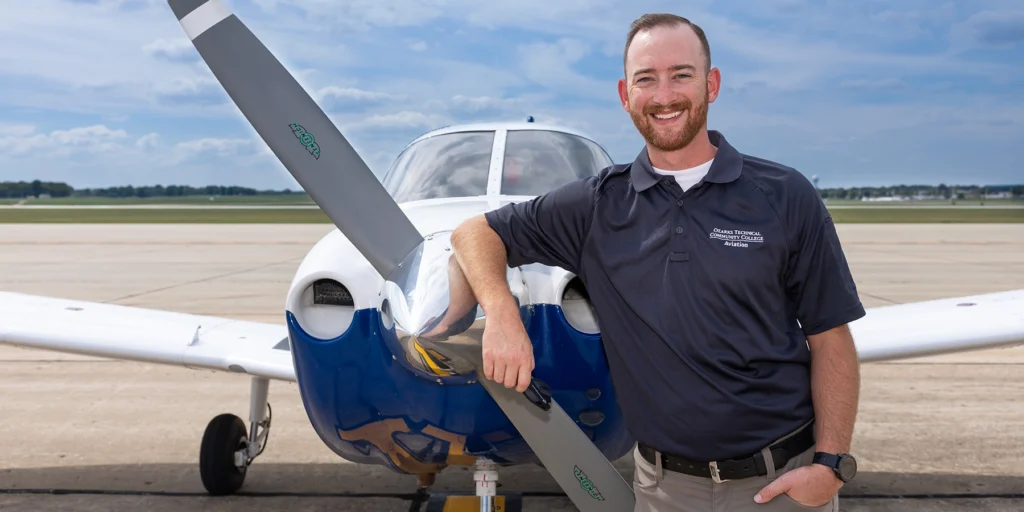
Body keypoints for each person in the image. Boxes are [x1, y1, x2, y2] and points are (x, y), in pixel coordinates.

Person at [449, 12, 863, 512]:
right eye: (647, 79)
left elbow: (831, 338)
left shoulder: (785, 194)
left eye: (681, 75)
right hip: (664, 490)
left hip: (782, 483)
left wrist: (832, 465)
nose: (664, 95)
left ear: (711, 84)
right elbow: (475, 233)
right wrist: (502, 314)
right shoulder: (597, 205)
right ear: (626, 95)